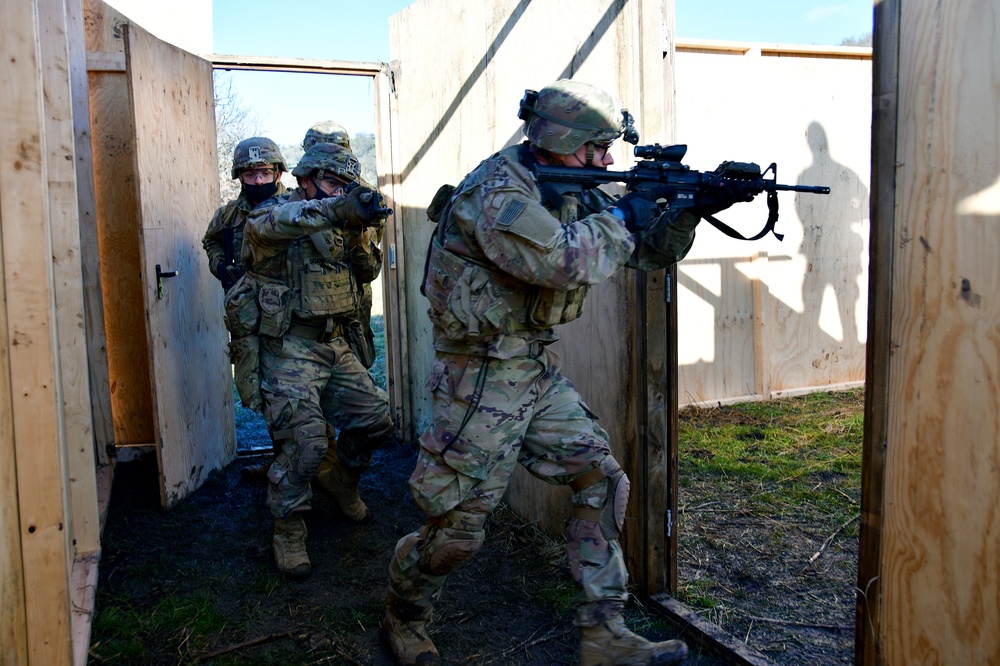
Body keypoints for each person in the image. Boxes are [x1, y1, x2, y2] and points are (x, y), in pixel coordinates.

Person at [382, 80, 750, 666]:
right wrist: (629, 211)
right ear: (566, 140)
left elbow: (647, 252)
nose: (608, 160)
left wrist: (689, 210)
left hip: (531, 368)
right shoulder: (498, 194)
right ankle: (405, 616)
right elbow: (563, 261)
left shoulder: (571, 183)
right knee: (456, 534)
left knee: (600, 480)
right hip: (475, 377)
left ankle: (604, 634)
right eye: (599, 147)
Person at [243, 141, 395, 578]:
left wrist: (359, 232)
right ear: (305, 180)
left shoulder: (342, 224)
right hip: (287, 347)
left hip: (333, 343)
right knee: (306, 444)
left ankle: (341, 482)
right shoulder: (270, 214)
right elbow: (283, 223)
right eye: (331, 182)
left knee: (377, 421)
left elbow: (367, 274)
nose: (339, 191)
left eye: (347, 185)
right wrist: (338, 210)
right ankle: (288, 529)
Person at [302, 120, 381, 373]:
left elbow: (369, 256)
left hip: (351, 291)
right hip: (312, 298)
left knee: (356, 358)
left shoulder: (365, 197)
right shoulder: (301, 195)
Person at [204, 137, 288, 294]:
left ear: (278, 175)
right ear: (241, 178)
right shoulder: (228, 214)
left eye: (265, 172)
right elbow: (211, 240)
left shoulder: (296, 208)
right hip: (245, 308)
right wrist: (220, 266)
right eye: (250, 174)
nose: (259, 181)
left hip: (290, 308)